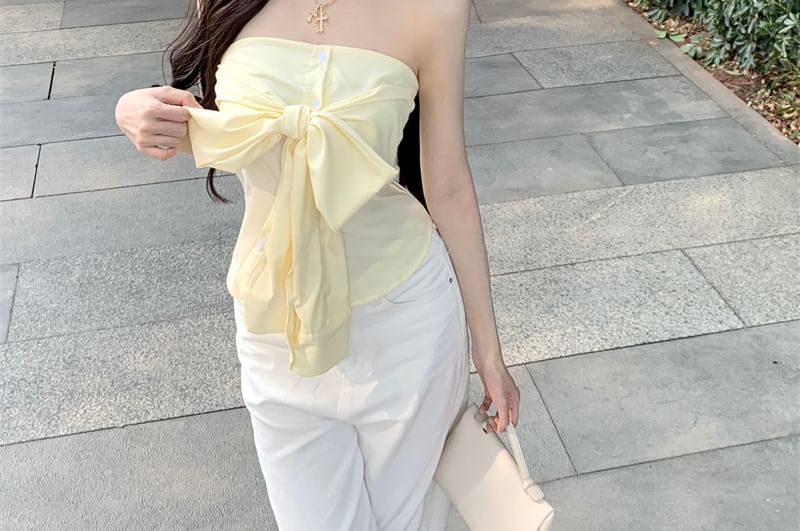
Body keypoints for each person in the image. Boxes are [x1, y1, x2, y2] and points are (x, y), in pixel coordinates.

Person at [114, 1, 520, 529]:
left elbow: (447, 185)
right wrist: (133, 110)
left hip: (406, 321)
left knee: (409, 522)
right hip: (275, 323)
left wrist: (489, 352)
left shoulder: (435, 9)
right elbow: (225, 128)